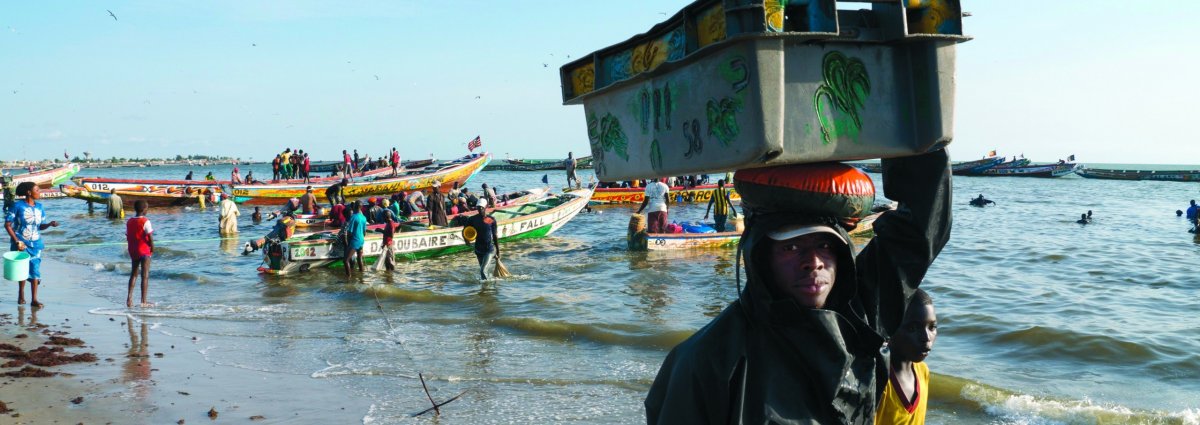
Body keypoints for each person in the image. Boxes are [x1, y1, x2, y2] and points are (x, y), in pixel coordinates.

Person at [645, 149, 951, 423]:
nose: (813, 262)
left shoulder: (858, 318)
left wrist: (911, 126)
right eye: (791, 247)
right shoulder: (708, 360)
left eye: (825, 245)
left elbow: (919, 230)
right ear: (761, 256)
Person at [875, 289, 937, 425]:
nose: (926, 338)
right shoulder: (878, 381)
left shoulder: (923, 371)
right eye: (913, 329)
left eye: (932, 327)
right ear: (888, 327)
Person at [5, 182, 60, 307]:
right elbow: (7, 225)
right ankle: (21, 294)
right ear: (29, 192)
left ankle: (34, 299)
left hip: (36, 243)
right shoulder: (17, 206)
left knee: (35, 269)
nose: (39, 192)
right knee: (22, 269)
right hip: (20, 242)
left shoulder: (40, 207)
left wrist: (50, 224)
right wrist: (17, 241)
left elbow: (40, 226)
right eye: (37, 190)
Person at [124, 200, 154, 308]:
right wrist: (152, 248)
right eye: (147, 208)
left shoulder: (129, 221)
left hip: (133, 250)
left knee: (134, 274)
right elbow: (150, 237)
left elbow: (128, 235)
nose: (147, 210)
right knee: (145, 276)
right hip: (144, 250)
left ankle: (129, 299)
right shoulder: (146, 221)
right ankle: (143, 301)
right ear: (144, 209)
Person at [465, 199, 499, 280]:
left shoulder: (490, 220)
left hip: (489, 249)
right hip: (478, 250)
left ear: (486, 207)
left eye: (482, 208)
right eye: (478, 207)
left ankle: (488, 290)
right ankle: (486, 288)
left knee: (483, 271)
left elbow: (494, 235)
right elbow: (465, 230)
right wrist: (466, 240)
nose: (480, 209)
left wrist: (498, 251)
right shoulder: (472, 219)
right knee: (483, 272)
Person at [342, 201, 367, 278]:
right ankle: (361, 275)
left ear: (355, 207)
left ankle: (348, 278)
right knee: (359, 257)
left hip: (355, 240)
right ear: (361, 207)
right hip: (361, 240)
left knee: (346, 260)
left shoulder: (353, 217)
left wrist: (349, 244)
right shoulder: (364, 217)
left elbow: (349, 232)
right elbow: (364, 231)